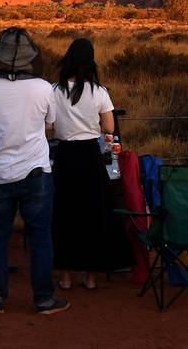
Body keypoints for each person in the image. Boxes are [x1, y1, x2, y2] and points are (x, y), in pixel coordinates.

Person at [0, 28, 69, 315]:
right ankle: (43, 298)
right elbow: (50, 124)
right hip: (36, 172)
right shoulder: (43, 87)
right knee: (41, 237)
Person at [51, 38, 120, 291]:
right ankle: (90, 276)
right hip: (90, 157)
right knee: (93, 214)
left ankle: (66, 275)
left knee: (64, 214)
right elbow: (109, 127)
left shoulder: (55, 90)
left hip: (66, 157)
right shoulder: (99, 92)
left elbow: (48, 125)